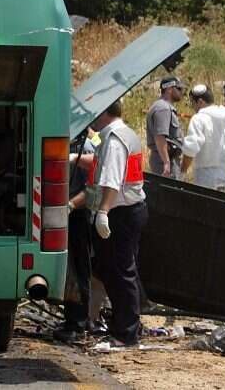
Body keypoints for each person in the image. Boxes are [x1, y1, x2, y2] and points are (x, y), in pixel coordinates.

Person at [89, 99, 147, 347]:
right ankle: (125, 326)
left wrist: (103, 211)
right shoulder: (125, 133)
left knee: (120, 272)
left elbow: (112, 178)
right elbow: (100, 156)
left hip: (119, 212)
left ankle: (126, 333)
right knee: (118, 269)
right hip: (131, 210)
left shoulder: (114, 140)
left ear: (103, 112)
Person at [54, 134, 97, 343]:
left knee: (79, 270)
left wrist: (71, 205)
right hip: (66, 213)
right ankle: (73, 319)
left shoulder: (85, 149)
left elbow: (91, 190)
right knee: (70, 269)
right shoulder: (69, 144)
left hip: (78, 215)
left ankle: (78, 323)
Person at [180, 84, 225, 190]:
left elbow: (191, 149)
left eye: (193, 103)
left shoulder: (198, 119)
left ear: (200, 102)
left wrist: (182, 172)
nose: (192, 107)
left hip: (205, 180)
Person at [146, 76, 185, 178]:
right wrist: (166, 162)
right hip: (164, 161)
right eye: (179, 89)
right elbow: (160, 137)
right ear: (169, 89)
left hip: (167, 159)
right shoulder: (163, 108)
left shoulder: (164, 106)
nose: (182, 92)